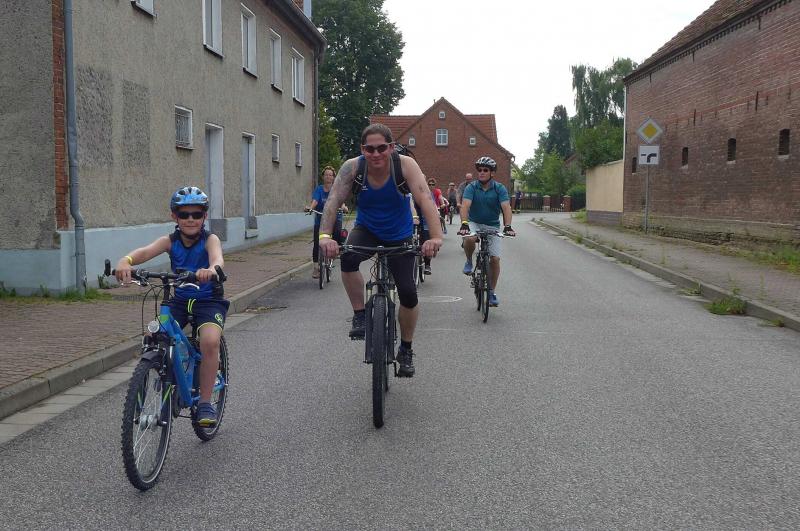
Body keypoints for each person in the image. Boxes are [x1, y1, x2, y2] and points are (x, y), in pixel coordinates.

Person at [318, 124, 442, 377]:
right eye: (369, 149)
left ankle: (406, 349)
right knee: (348, 257)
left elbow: (425, 199)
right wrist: (324, 237)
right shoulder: (353, 167)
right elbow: (333, 201)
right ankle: (360, 314)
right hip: (367, 229)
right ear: (362, 149)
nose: (376, 154)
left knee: (408, 293)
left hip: (399, 234)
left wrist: (436, 237)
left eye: (381, 148)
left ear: (391, 147)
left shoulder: (405, 165)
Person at [115, 186, 228, 427]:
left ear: (205, 216)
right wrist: (126, 261)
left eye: (196, 214)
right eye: (184, 214)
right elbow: (146, 252)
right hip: (179, 299)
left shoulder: (210, 239)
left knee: (209, 341)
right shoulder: (170, 241)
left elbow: (217, 258)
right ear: (174, 216)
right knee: (153, 335)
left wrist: (211, 270)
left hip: (208, 300)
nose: (190, 219)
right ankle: (148, 386)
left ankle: (205, 403)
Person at [457, 157, 516, 307]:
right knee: (469, 238)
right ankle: (469, 260)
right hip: (474, 222)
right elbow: (465, 206)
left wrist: (508, 226)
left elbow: (506, 207)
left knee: (495, 259)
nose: (481, 172)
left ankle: (491, 292)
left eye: (485, 170)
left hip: (492, 225)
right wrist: (464, 223)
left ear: (492, 173)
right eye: (480, 170)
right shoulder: (472, 187)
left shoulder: (499, 188)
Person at [306, 165, 348, 279]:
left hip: (335, 218)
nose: (328, 177)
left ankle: (336, 250)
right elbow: (315, 201)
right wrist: (310, 208)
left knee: (337, 233)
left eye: (330, 175)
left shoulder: (336, 189)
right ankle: (316, 268)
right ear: (323, 177)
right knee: (317, 243)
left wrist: (343, 207)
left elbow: (340, 201)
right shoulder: (319, 189)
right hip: (321, 219)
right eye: (326, 175)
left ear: (334, 177)